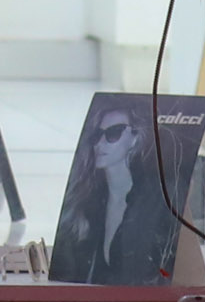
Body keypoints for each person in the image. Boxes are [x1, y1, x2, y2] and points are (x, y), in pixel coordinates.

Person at [48, 96, 180, 285]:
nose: (100, 144)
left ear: (135, 138)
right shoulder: (85, 204)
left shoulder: (154, 202)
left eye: (114, 133)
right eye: (97, 135)